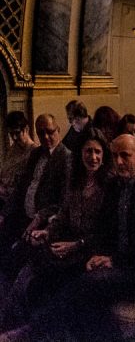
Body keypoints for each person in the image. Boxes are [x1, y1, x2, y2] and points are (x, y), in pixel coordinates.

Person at [32, 134, 135, 341]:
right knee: (51, 275)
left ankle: (37, 331)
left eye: (125, 156)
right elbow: (104, 229)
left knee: (85, 287)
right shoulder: (115, 186)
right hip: (113, 260)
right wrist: (97, 254)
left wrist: (113, 259)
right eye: (115, 156)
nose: (118, 162)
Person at [0, 128, 109, 331]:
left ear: (103, 155)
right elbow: (63, 215)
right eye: (88, 151)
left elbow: (106, 231)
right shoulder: (76, 182)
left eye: (97, 152)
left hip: (90, 248)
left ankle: (27, 331)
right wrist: (48, 231)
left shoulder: (109, 186)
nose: (93, 157)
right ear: (81, 154)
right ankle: (12, 322)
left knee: (46, 278)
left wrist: (76, 245)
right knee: (25, 261)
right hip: (67, 243)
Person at [0, 114, 71, 254]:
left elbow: (64, 201)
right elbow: (21, 188)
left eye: (50, 132)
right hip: (23, 216)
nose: (45, 137)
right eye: (41, 133)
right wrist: (3, 214)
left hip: (43, 223)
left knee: (14, 255)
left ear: (58, 130)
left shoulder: (66, 158)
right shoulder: (36, 153)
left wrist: (40, 217)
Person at [0, 112, 37, 209]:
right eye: (11, 134)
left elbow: (24, 188)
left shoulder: (34, 152)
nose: (14, 138)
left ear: (26, 129)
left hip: (14, 204)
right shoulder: (13, 149)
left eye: (17, 133)